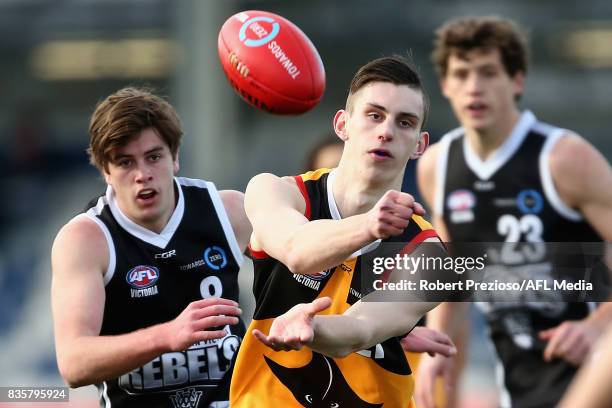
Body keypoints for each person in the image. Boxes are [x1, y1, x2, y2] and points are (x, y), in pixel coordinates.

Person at [229, 55, 457, 407]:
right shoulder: (276, 191)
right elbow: (297, 251)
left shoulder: (429, 255)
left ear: (419, 145)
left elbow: (361, 329)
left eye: (405, 122)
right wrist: (369, 226)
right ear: (343, 123)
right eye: (374, 115)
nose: (386, 131)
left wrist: (312, 329)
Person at [415, 17, 612, 408]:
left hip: (592, 370)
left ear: (517, 80)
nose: (474, 87)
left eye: (488, 72)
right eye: (462, 73)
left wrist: (596, 327)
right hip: (519, 381)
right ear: (445, 85)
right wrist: (436, 347)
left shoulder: (563, 157)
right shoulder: (437, 166)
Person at [51, 87, 251, 407]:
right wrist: (166, 337)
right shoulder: (86, 239)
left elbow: (309, 261)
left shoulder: (229, 212)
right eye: (125, 162)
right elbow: (73, 364)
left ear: (175, 158)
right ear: (106, 171)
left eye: (154, 157)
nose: (143, 175)